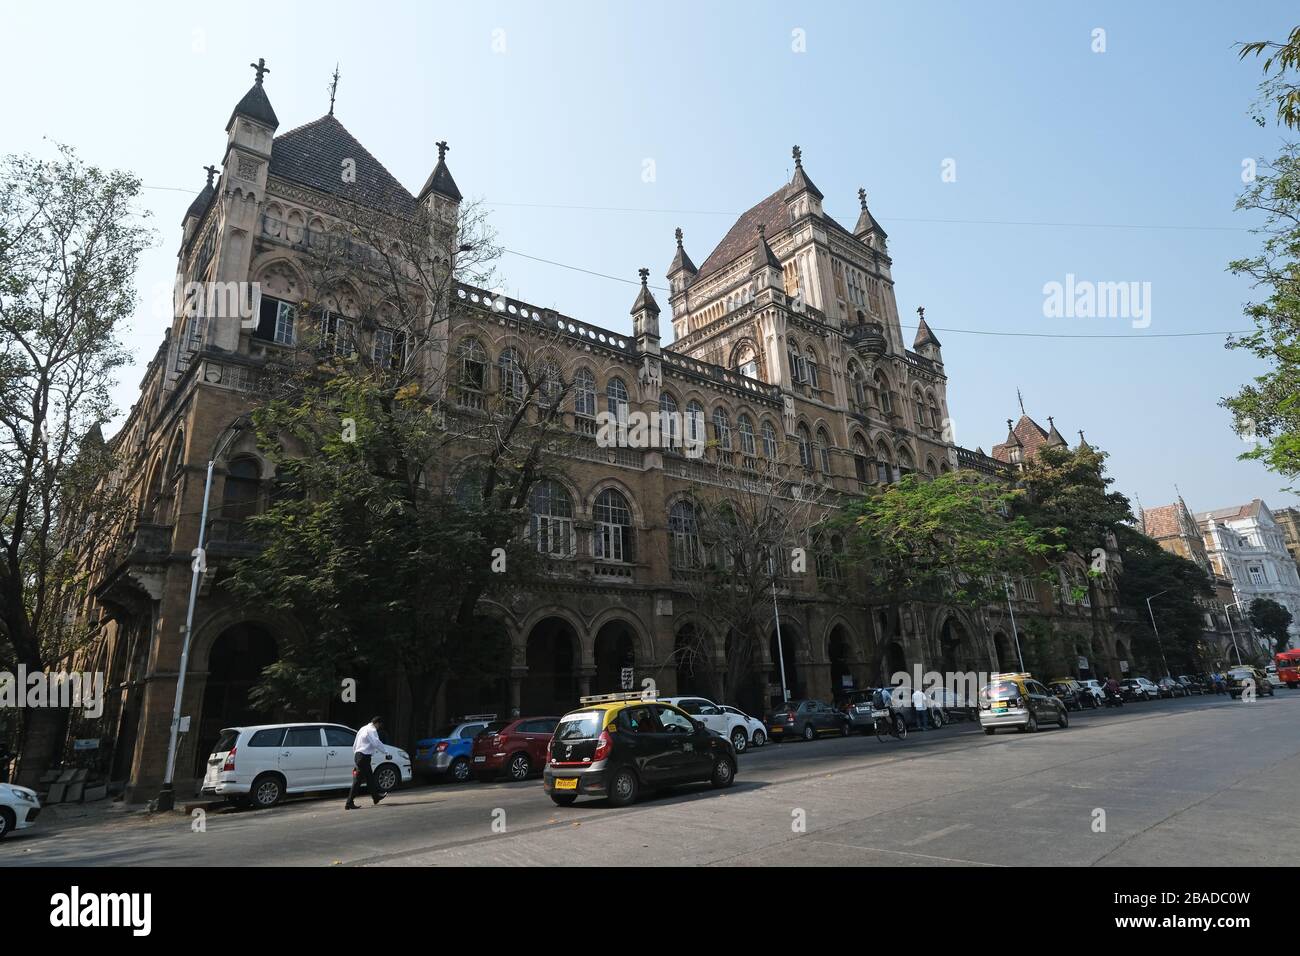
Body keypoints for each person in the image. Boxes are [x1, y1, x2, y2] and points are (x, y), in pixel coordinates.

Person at [345, 716, 389, 810]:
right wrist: (386, 752)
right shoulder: (372, 730)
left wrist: (357, 754)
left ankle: (376, 797)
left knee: (370, 778)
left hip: (359, 755)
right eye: (379, 725)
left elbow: (355, 742)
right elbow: (376, 743)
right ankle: (349, 803)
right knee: (357, 781)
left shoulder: (363, 728)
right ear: (377, 723)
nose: (379, 728)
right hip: (364, 757)